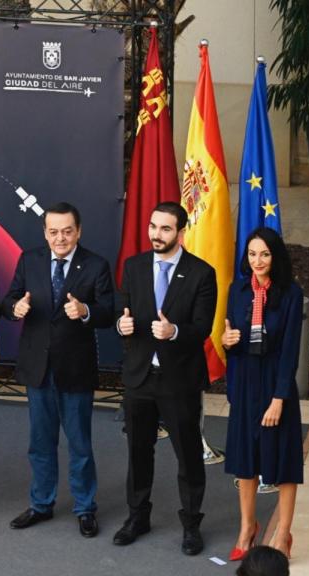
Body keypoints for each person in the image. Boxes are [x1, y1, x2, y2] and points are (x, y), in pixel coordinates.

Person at [1, 202, 114, 537]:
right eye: (53, 232)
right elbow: (8, 300)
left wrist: (86, 311)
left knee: (80, 444)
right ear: (45, 233)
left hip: (75, 369)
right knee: (40, 442)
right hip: (38, 367)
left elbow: (108, 311)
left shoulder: (95, 264)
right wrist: (16, 307)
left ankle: (85, 508)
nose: (60, 238)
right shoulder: (29, 260)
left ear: (78, 231)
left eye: (67, 231)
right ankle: (41, 504)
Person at [112, 201, 217, 555]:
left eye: (165, 229)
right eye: (153, 226)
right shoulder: (134, 266)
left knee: (188, 455)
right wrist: (122, 325)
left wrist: (173, 332)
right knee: (138, 452)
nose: (156, 234)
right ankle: (137, 517)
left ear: (181, 233)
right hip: (140, 377)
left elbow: (202, 328)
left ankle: (191, 525)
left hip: (179, 380)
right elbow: (123, 312)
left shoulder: (202, 273)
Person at [223, 228, 303, 561]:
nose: (258, 261)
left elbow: (290, 350)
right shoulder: (238, 289)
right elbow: (232, 338)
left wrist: (279, 398)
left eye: (265, 254)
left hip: (275, 381)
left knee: (283, 461)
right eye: (252, 254)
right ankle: (247, 528)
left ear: (275, 256)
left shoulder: (291, 293)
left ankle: (283, 534)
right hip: (245, 381)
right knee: (245, 460)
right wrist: (228, 343)